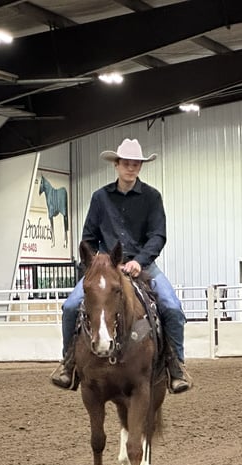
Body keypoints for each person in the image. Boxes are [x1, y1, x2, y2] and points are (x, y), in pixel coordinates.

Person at [50, 138, 192, 394]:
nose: (131, 168)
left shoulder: (152, 197)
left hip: (144, 265)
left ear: (140, 166)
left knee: (172, 308)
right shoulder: (100, 198)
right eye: (126, 163)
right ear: (116, 165)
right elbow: (88, 238)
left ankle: (175, 365)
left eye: (136, 164)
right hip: (106, 268)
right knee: (70, 306)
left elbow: (158, 235)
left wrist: (140, 261)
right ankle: (68, 362)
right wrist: (97, 265)